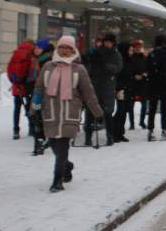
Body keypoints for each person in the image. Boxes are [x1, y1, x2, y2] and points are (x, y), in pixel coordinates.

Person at [33, 35, 103, 192]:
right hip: (50, 112)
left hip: (69, 113)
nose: (64, 50)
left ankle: (57, 181)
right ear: (57, 49)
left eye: (68, 48)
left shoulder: (79, 69)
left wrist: (97, 112)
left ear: (73, 50)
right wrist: (35, 108)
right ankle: (67, 166)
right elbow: (38, 89)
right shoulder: (48, 67)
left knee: (62, 147)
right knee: (54, 145)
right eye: (61, 47)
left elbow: (88, 93)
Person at [84, 33, 122, 147]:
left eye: (109, 42)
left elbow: (118, 67)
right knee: (90, 112)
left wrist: (106, 66)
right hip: (95, 85)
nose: (107, 44)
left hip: (108, 86)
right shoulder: (95, 52)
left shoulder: (116, 54)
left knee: (108, 113)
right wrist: (93, 66)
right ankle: (88, 137)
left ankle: (109, 137)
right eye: (106, 41)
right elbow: (88, 66)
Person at [113, 39, 147, 141]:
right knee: (121, 111)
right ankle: (115, 132)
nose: (131, 52)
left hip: (128, 88)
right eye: (129, 50)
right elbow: (120, 75)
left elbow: (132, 72)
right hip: (121, 88)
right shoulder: (120, 60)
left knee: (124, 111)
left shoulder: (129, 60)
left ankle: (120, 133)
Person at [145, 33, 166, 140]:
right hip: (164, 83)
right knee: (164, 108)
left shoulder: (151, 54)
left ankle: (150, 130)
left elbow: (148, 69)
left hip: (153, 83)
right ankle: (164, 129)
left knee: (152, 108)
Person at [6, 38, 35, 139]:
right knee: (30, 107)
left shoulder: (16, 53)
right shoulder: (31, 54)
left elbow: (9, 69)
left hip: (16, 86)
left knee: (17, 109)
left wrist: (14, 81)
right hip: (27, 86)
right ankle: (31, 128)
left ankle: (16, 130)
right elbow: (32, 70)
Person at [29, 38, 53, 155]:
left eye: (39, 47)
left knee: (39, 117)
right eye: (36, 47)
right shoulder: (38, 59)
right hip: (36, 91)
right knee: (36, 117)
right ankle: (40, 143)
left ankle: (40, 143)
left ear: (43, 48)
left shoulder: (46, 60)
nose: (36, 49)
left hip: (43, 93)